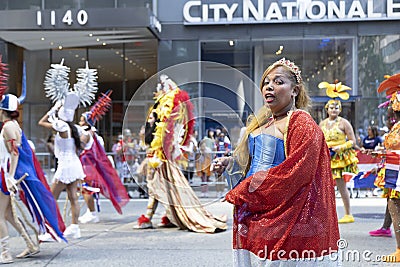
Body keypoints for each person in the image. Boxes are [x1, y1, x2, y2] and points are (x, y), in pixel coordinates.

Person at [211, 58, 340, 265]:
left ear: (295, 90)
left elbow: (297, 172)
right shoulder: (264, 121)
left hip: (284, 214)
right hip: (254, 211)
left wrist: (246, 190)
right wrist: (230, 163)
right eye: (266, 82)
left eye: (279, 82)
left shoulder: (300, 121)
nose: (270, 86)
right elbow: (251, 162)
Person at [133, 74, 227, 233]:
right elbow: (149, 142)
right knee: (161, 191)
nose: (149, 118)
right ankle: (166, 217)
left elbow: (169, 139)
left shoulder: (168, 124)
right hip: (155, 160)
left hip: (162, 162)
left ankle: (149, 218)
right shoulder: (152, 128)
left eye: (152, 117)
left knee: (159, 190)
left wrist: (161, 156)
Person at [38, 92, 86, 239]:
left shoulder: (62, 126)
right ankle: (74, 227)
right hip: (74, 163)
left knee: (50, 198)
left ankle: (50, 230)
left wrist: (52, 110)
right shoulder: (74, 128)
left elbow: (41, 122)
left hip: (65, 165)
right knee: (73, 197)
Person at [78, 91, 129, 223]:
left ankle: (92, 213)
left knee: (86, 189)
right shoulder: (94, 135)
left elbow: (80, 144)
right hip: (88, 165)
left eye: (82, 120)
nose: (79, 122)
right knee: (87, 189)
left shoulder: (86, 134)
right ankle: (91, 212)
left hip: (87, 166)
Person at [319, 82, 359, 223]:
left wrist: (340, 147)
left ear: (340, 109)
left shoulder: (344, 123)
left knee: (341, 186)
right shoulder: (322, 124)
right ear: (327, 109)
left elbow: (353, 141)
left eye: (336, 107)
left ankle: (348, 213)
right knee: (324, 188)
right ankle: (326, 215)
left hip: (338, 158)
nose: (334, 109)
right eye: (331, 107)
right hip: (325, 157)